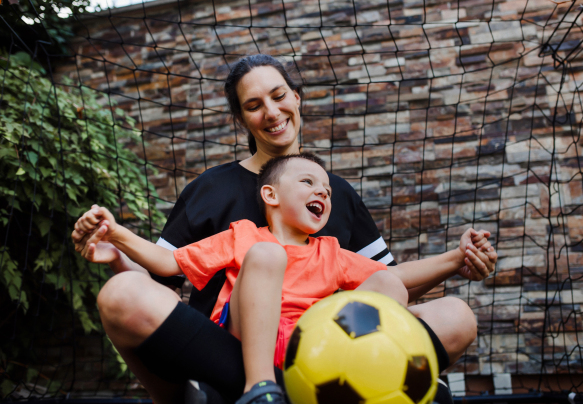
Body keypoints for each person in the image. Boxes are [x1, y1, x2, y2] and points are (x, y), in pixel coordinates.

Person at [72, 54, 497, 404]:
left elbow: (386, 283)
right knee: (120, 295)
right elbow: (161, 275)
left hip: (323, 349)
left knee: (456, 316)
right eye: (254, 105)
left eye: (279, 96)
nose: (272, 112)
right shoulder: (213, 194)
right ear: (241, 119)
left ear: (296, 98)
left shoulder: (336, 198)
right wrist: (117, 246)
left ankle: (384, 379)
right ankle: (221, 392)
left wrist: (457, 260)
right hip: (227, 351)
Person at [78, 153, 417, 404]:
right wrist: (117, 234)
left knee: (391, 286)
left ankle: (390, 385)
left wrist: (456, 259)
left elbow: (393, 276)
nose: (324, 193)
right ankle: (260, 389)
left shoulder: (330, 251)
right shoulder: (244, 236)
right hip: (243, 339)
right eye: (309, 183)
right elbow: (169, 262)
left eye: (328, 190)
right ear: (271, 195)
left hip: (309, 347)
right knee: (268, 256)